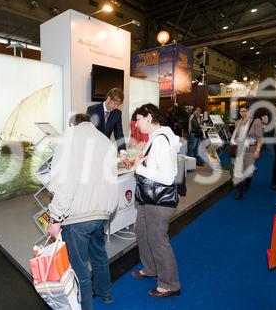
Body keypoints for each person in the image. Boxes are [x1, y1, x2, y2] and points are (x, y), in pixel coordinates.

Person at [47, 113, 118, 310]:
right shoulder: (106, 142)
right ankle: (106, 295)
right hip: (102, 212)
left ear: (73, 124)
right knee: (99, 255)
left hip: (78, 216)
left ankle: (86, 306)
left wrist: (55, 216)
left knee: (78, 268)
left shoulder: (69, 138)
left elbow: (64, 182)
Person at [131, 103, 182, 298]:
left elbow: (168, 177)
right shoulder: (156, 137)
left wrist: (139, 168)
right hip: (148, 197)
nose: (136, 124)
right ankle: (151, 268)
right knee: (141, 231)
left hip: (158, 201)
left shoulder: (160, 140)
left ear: (149, 118)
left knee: (157, 239)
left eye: (139, 119)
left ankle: (170, 284)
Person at [86, 88, 130, 167]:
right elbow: (87, 132)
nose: (116, 107)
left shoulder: (117, 113)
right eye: (114, 103)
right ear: (108, 98)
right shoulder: (92, 110)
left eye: (118, 105)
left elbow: (119, 134)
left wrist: (123, 153)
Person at [230, 104, 263, 200]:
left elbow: (260, 138)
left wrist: (258, 150)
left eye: (245, 111)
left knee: (248, 171)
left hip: (251, 149)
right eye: (241, 111)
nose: (242, 113)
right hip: (239, 149)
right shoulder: (237, 122)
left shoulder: (256, 121)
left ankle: (247, 182)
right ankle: (239, 190)